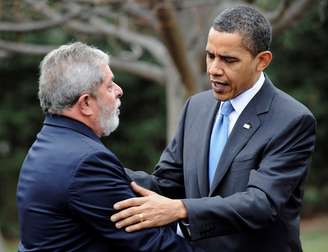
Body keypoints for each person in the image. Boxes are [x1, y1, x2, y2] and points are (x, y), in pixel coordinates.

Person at [110, 5, 316, 252]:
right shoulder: (196, 107)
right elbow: (167, 184)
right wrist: (100, 169)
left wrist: (181, 209)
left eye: (229, 60)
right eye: (210, 56)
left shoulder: (292, 119)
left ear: (262, 61)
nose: (213, 69)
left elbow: (261, 203)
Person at [16, 42, 203, 252]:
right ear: (85, 103)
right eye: (109, 85)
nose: (119, 90)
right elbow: (151, 244)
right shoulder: (88, 161)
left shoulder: (49, 143)